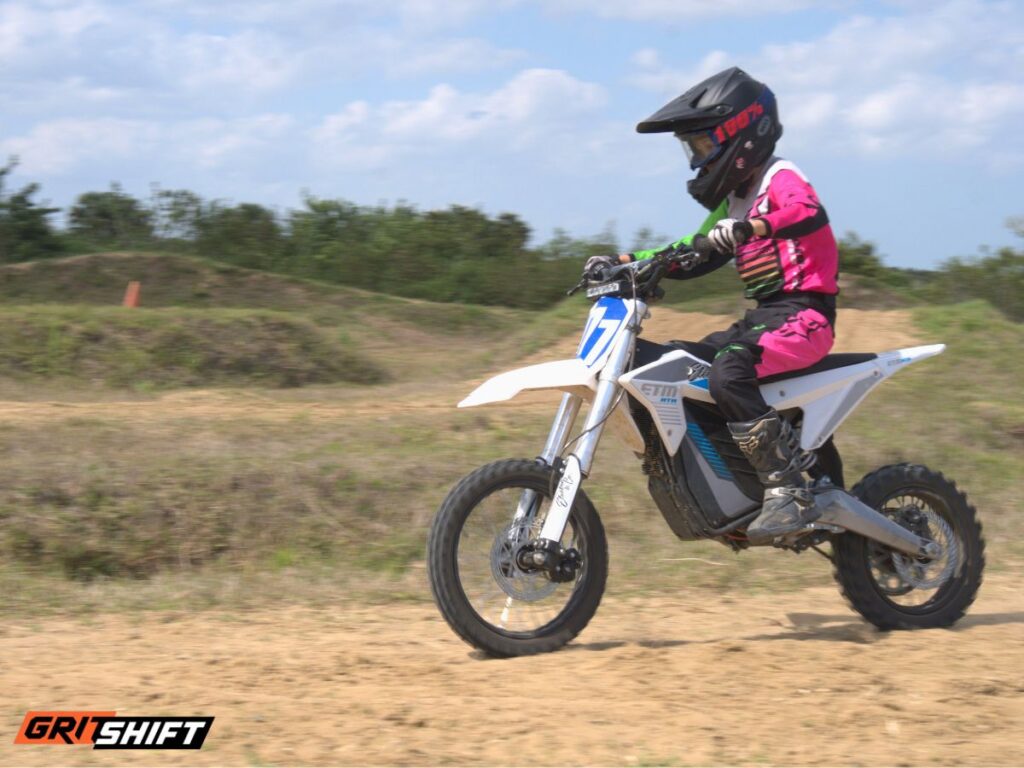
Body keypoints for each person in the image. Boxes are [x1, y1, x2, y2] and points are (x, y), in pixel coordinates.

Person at [585, 67, 839, 544]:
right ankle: (731, 485)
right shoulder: (736, 200)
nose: (698, 160)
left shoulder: (780, 178)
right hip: (765, 318)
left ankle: (789, 490)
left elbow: (808, 213)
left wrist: (754, 229)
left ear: (742, 134)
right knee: (676, 366)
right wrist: (625, 261)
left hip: (805, 315)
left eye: (702, 146)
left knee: (728, 372)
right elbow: (689, 250)